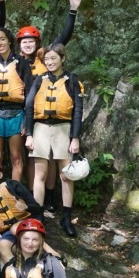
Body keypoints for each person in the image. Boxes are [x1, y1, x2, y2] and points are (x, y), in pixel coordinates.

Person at [24, 44, 84, 237]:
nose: (49, 62)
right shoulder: (39, 80)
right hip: (41, 127)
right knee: (39, 175)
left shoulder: (72, 80)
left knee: (66, 175)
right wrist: (30, 134)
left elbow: (77, 111)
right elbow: (29, 106)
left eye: (53, 59)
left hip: (63, 128)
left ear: (62, 59)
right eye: (47, 59)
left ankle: (66, 217)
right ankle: (37, 216)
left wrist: (75, 137)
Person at [0, 27, 33, 182]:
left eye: (2, 39)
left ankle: (14, 192)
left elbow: (30, 94)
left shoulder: (22, 63)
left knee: (16, 157)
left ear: (10, 40)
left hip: (16, 114)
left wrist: (27, 121)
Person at [18, 0, 82, 77]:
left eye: (31, 41)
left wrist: (73, 10)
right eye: (24, 42)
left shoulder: (45, 55)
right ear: (20, 45)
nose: (28, 45)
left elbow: (64, 36)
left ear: (37, 43)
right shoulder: (15, 61)